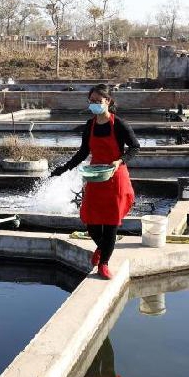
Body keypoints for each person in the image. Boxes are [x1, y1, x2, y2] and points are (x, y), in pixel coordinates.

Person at [50, 84, 140, 279]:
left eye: (98, 101)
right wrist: (64, 168)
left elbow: (135, 147)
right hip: (95, 176)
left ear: (108, 101)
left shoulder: (119, 124)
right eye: (91, 101)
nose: (94, 104)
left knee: (110, 223)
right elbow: (83, 152)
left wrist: (120, 161)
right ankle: (102, 247)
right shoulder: (90, 125)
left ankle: (104, 264)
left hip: (115, 177)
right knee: (91, 222)